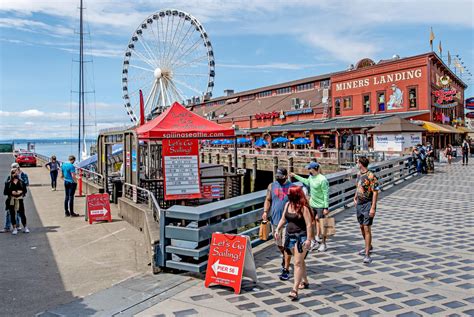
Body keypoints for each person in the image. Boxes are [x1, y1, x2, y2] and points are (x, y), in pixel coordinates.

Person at [275, 186, 314, 301]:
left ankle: (294, 290)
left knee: (297, 262)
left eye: (289, 193)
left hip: (301, 237)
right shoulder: (287, 205)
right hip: (290, 236)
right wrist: (277, 229)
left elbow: (308, 224)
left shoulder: (303, 208)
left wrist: (308, 239)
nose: (287, 195)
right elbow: (283, 219)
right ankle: (305, 281)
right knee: (300, 260)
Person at [290, 161, 329, 252]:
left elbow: (326, 194)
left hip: (321, 205)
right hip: (312, 204)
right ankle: (313, 241)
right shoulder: (311, 177)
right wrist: (295, 175)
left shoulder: (323, 179)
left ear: (314, 169)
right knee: (310, 223)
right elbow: (306, 181)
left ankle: (323, 243)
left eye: (309, 168)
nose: (308, 170)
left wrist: (326, 208)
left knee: (323, 225)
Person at [262, 167, 293, 281]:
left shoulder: (292, 187)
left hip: (287, 222)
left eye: (281, 177)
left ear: (286, 176)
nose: (278, 179)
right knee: (279, 245)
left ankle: (286, 270)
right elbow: (268, 199)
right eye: (277, 177)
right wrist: (265, 211)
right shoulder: (272, 186)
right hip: (275, 220)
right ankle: (285, 258)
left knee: (286, 246)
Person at [353, 156, 380, 264]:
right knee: (361, 226)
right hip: (359, 203)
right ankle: (368, 246)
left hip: (368, 203)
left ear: (361, 163)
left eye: (357, 162)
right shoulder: (359, 174)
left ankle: (367, 254)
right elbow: (358, 186)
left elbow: (375, 191)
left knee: (367, 228)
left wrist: (373, 207)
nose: (356, 164)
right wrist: (355, 196)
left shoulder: (371, 175)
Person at [1, 163, 28, 233]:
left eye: (15, 168)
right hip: (11, 198)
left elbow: (26, 184)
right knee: (10, 213)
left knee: (20, 213)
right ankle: (10, 227)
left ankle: (19, 226)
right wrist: (11, 192)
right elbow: (6, 188)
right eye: (12, 169)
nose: (14, 170)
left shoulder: (23, 175)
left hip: (20, 198)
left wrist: (20, 192)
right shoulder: (9, 178)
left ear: (18, 168)